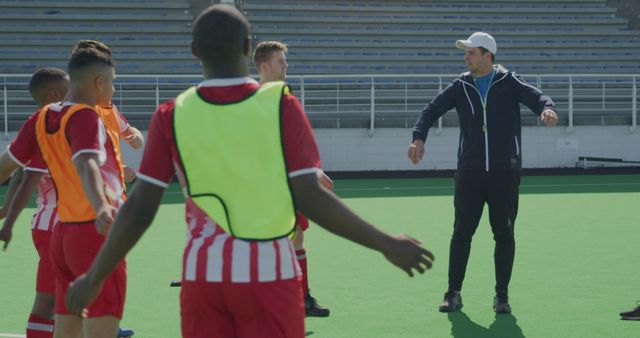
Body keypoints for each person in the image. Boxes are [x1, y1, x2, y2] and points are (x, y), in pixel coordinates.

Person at [65, 5, 435, 338]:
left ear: (194, 51)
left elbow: (141, 207)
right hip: (270, 273)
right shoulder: (282, 105)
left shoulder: (171, 114)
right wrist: (385, 242)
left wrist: (95, 276)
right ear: (247, 48)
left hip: (204, 277)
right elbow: (311, 196)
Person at [407, 32, 558, 314]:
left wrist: (547, 109)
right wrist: (418, 137)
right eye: (466, 53)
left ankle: (502, 295)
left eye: (471, 53)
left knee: (504, 234)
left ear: (487, 55)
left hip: (504, 172)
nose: (466, 58)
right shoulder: (461, 85)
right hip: (470, 172)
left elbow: (538, 98)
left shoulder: (508, 81)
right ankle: (453, 293)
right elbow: (431, 110)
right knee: (461, 233)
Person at [0, 66, 141, 338]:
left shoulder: (40, 121)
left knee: (64, 304)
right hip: (72, 224)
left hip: (58, 228)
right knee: (59, 303)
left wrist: (8, 215)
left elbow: (15, 171)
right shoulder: (71, 122)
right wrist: (102, 205)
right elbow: (82, 166)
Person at [253, 40, 331, 317]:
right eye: (280, 61)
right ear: (264, 65)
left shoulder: (286, 96)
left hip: (290, 183)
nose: (286, 65)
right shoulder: (253, 100)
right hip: (267, 186)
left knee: (297, 239)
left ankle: (303, 299)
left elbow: (294, 142)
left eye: (285, 60)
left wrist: (313, 169)